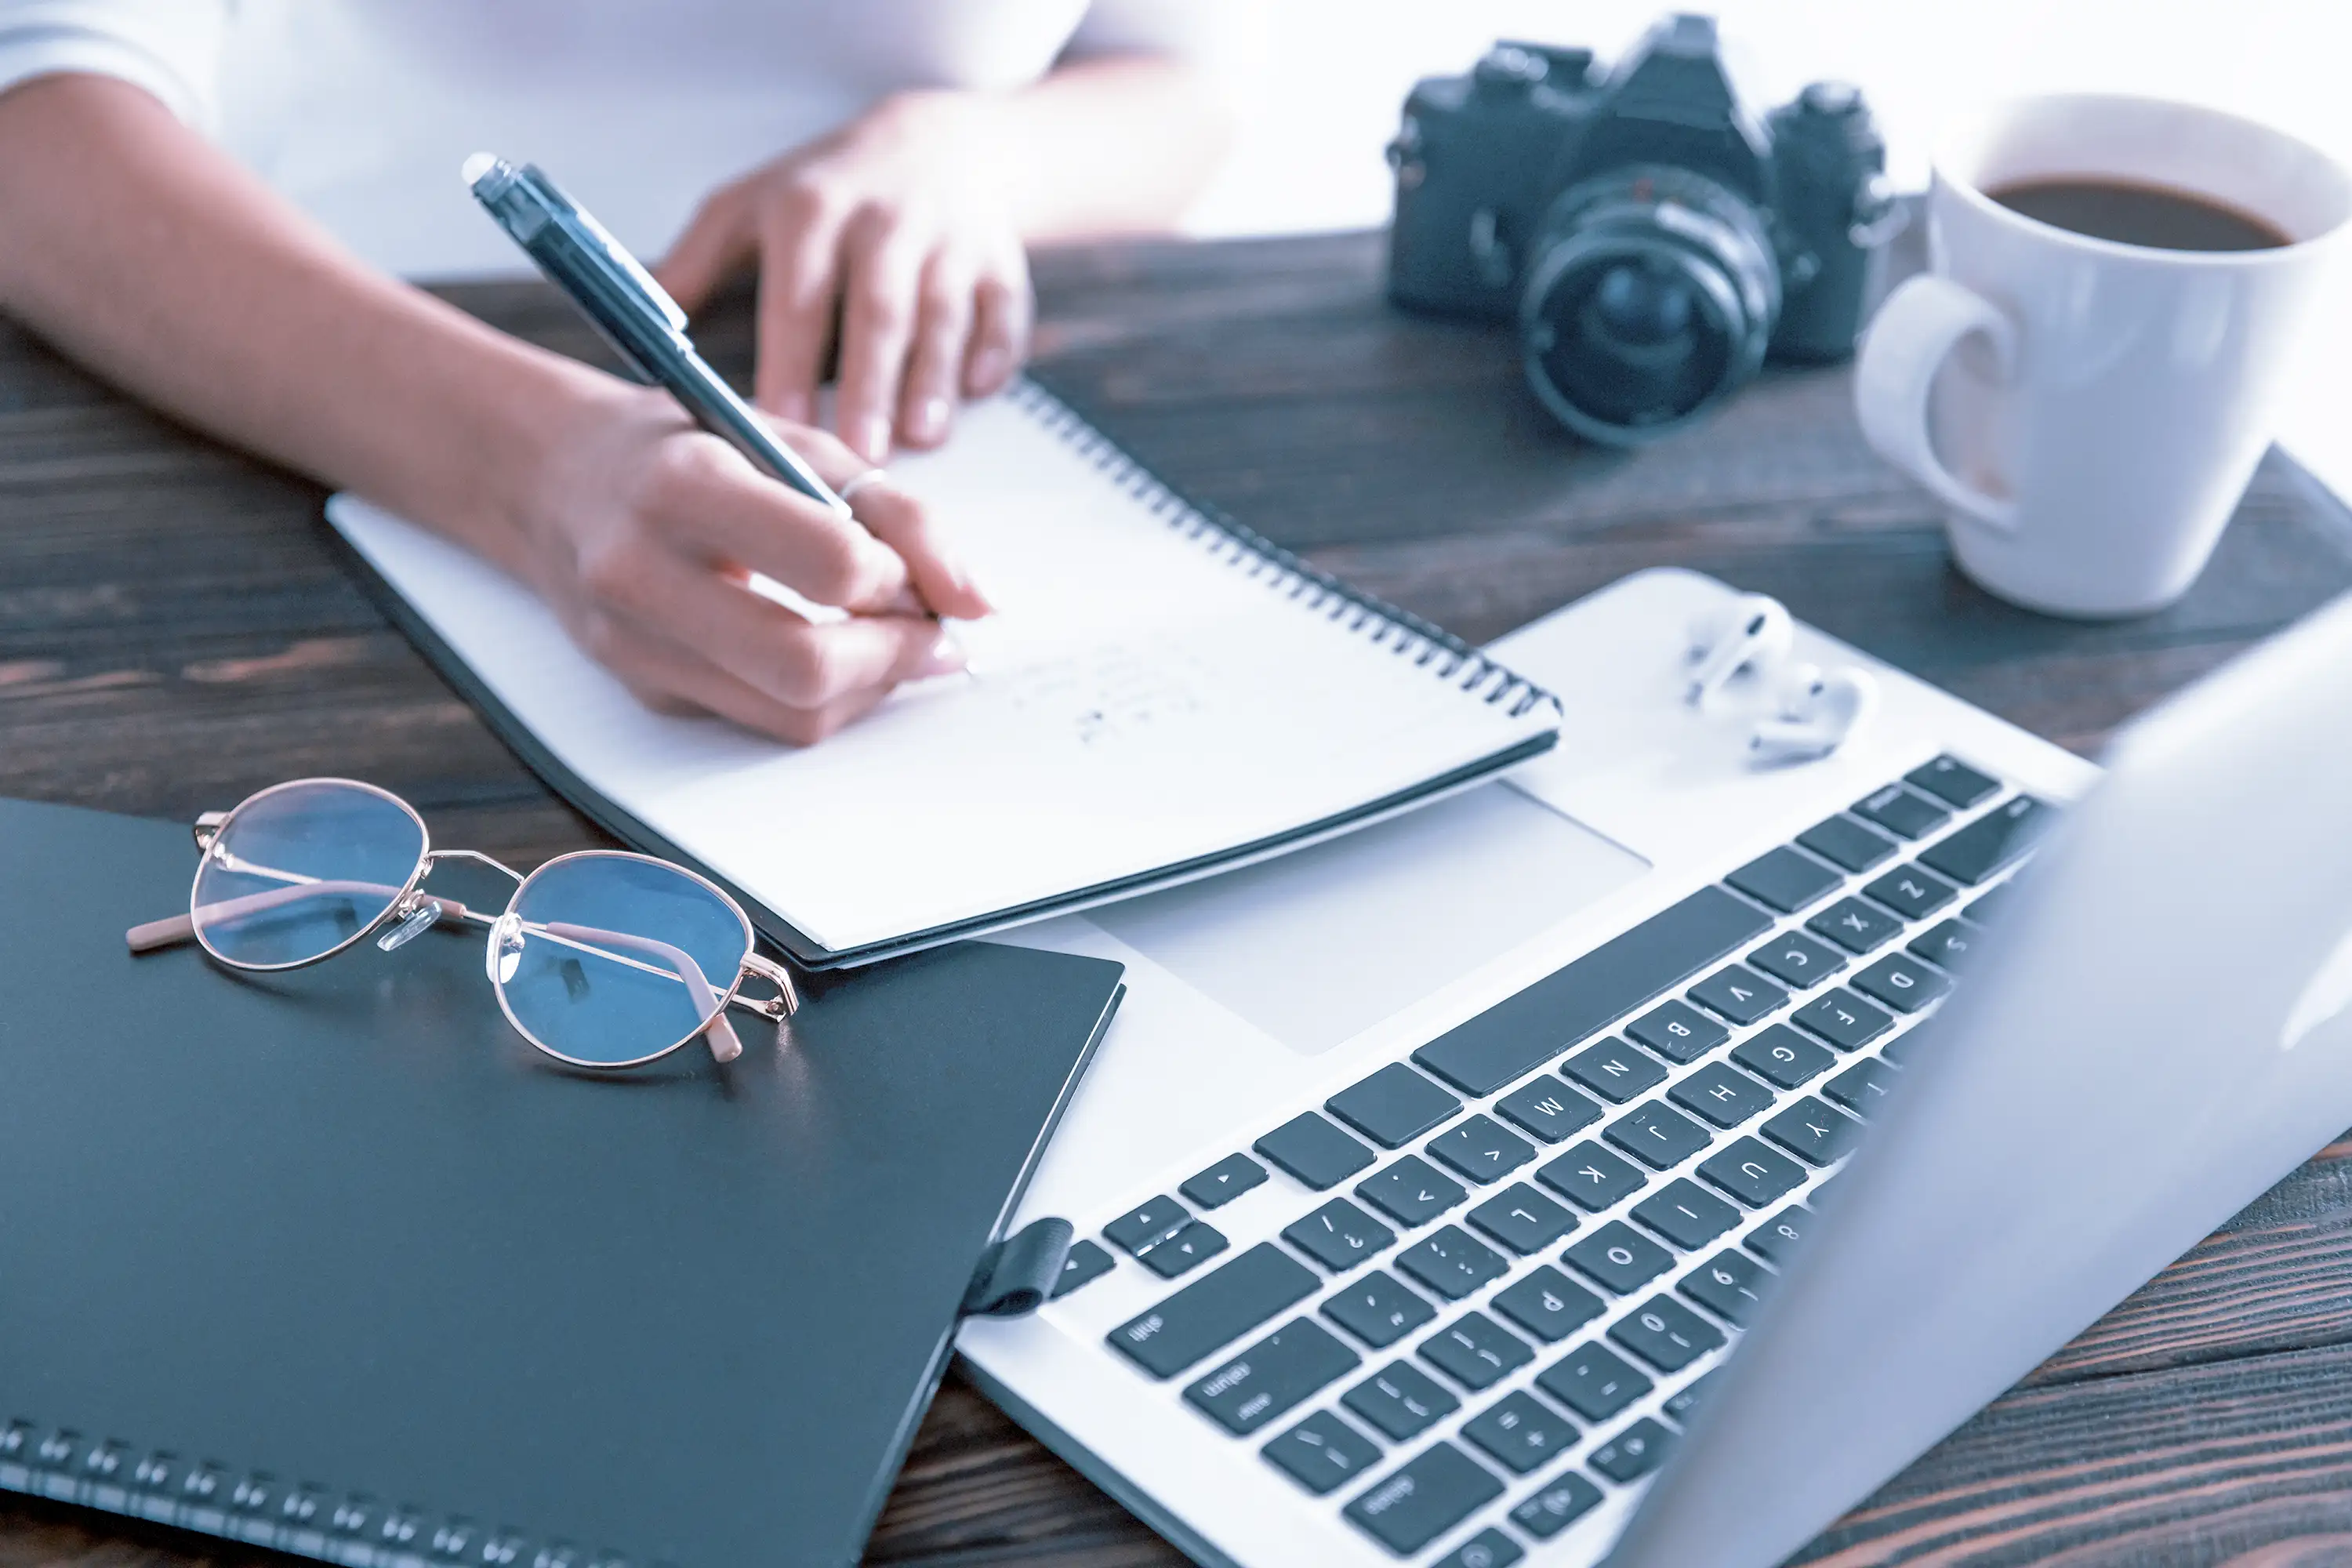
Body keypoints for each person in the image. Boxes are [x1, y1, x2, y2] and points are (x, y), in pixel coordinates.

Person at [0, 2, 1258, 741]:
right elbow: (39, 100)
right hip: (304, 403)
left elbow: (1181, 83)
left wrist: (980, 157)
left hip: (958, 407)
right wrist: (531, 463)